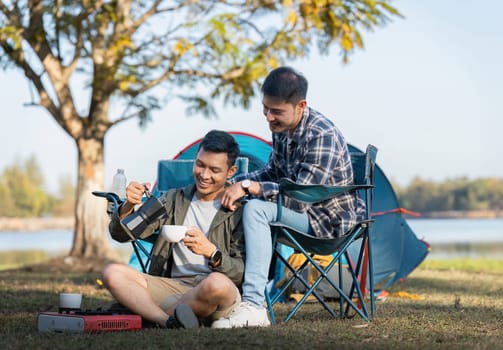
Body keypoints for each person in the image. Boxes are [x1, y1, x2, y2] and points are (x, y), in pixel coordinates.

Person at [214, 66, 366, 328]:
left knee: (256, 209)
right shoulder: (282, 128)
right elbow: (272, 172)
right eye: (265, 109)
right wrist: (231, 184)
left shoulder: (322, 134)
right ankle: (230, 295)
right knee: (242, 203)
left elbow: (300, 197)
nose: (269, 118)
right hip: (303, 216)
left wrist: (249, 187)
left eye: (276, 111)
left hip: (327, 224)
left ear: (301, 105)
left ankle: (253, 306)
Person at [102, 130, 245, 329]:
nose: (204, 175)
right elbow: (122, 234)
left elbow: (242, 273)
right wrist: (127, 207)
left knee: (216, 284)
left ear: (231, 172)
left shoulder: (239, 210)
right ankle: (167, 321)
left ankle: (148, 315)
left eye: (214, 170)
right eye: (200, 165)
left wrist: (213, 253)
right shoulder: (173, 199)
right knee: (112, 272)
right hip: (171, 286)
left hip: (214, 289)